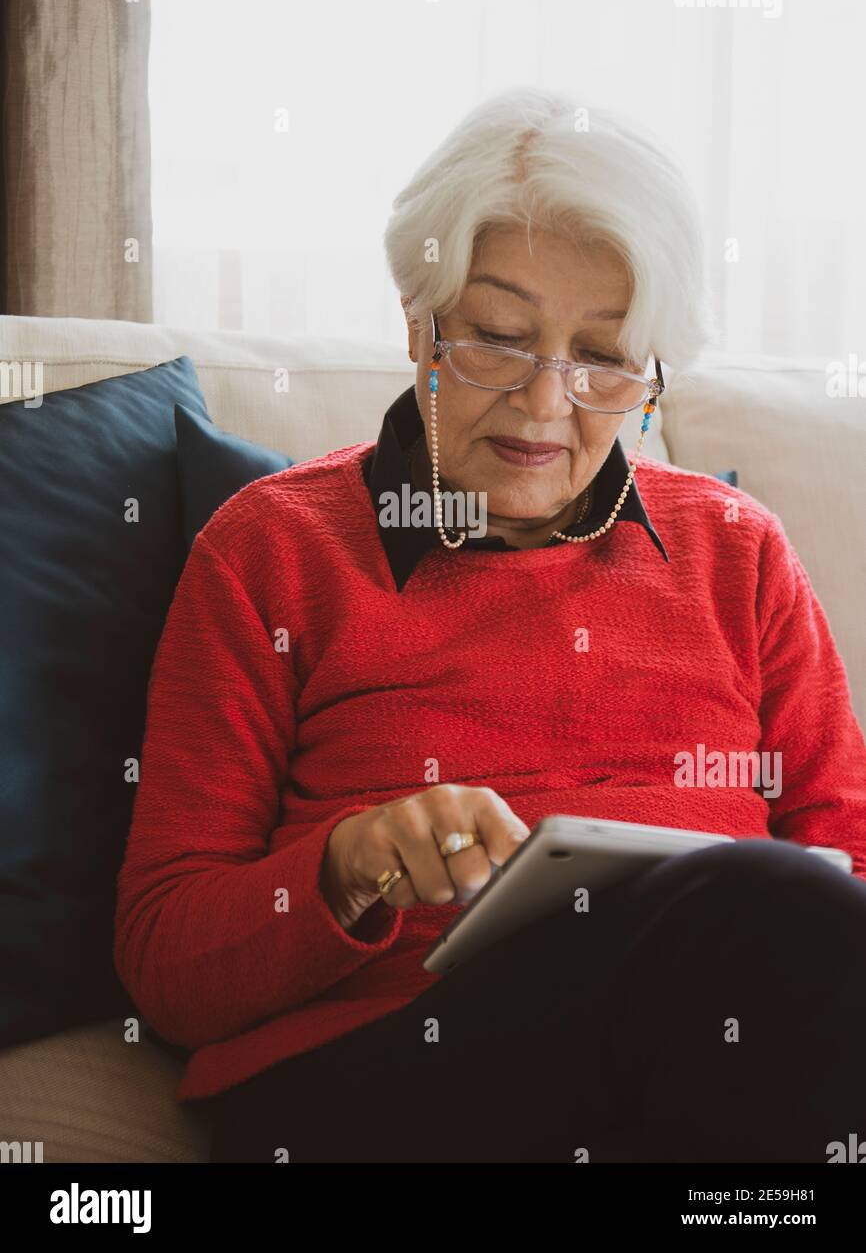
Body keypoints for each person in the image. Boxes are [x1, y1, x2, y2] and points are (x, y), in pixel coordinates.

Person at [113, 86, 866, 1162]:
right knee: (763, 911)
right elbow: (163, 958)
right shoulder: (270, 550)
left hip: (710, 1061)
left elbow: (844, 871)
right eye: (500, 337)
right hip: (385, 1074)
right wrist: (348, 862)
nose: (546, 401)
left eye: (602, 359)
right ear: (418, 323)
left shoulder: (736, 552)